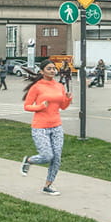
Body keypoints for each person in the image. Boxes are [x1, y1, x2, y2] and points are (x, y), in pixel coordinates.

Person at [20, 59, 72, 196]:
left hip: (56, 126)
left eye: (54, 68)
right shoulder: (37, 87)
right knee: (47, 156)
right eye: (49, 69)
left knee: (57, 158)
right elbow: (27, 106)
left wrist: (68, 99)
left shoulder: (59, 86)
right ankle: (29, 160)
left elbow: (62, 107)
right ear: (42, 71)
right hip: (40, 127)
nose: (52, 71)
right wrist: (41, 106)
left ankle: (48, 185)